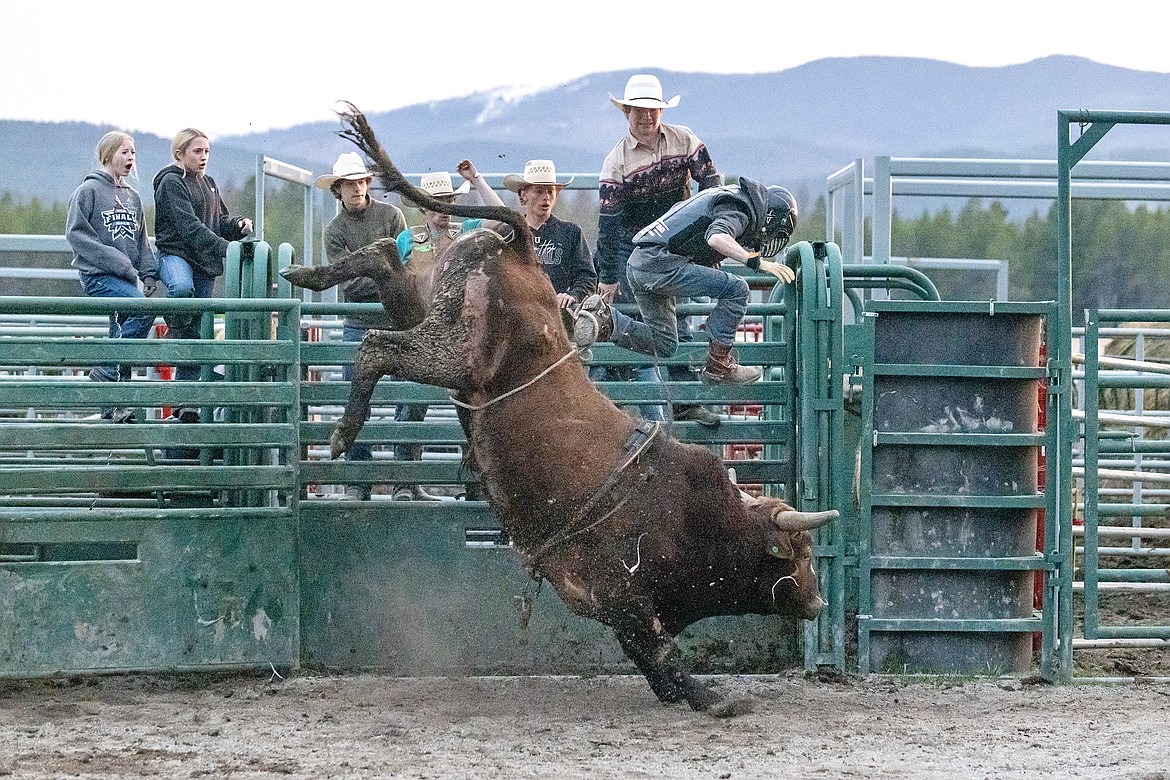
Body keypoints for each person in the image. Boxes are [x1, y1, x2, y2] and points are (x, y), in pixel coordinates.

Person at [573, 177, 798, 385]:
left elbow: (689, 230)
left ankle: (605, 319)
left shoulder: (724, 195)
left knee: (665, 343)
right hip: (662, 263)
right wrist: (757, 262)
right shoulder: (739, 209)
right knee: (737, 289)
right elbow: (717, 237)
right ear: (771, 218)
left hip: (640, 262)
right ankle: (719, 363)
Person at [594, 74, 724, 428]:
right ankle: (638, 404)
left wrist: (706, 229)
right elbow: (608, 223)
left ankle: (681, 401)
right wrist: (607, 276)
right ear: (627, 113)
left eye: (652, 110)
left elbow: (712, 183)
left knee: (675, 319)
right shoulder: (616, 163)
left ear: (660, 111)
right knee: (646, 315)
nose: (646, 117)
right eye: (639, 111)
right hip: (632, 244)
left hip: (673, 237)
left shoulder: (685, 140)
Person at [389, 161, 501, 501]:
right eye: (438, 203)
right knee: (410, 407)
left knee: (470, 408)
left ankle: (474, 485)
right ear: (424, 207)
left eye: (449, 201)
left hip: (460, 337)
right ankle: (405, 484)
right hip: (421, 332)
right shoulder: (406, 239)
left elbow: (500, 216)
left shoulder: (467, 230)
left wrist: (477, 181)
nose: (445, 210)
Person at [316, 152, 410, 501]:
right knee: (352, 400)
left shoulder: (391, 216)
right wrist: (385, 275)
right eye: (349, 184)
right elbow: (349, 282)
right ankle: (359, 479)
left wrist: (373, 274)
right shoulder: (334, 231)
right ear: (337, 190)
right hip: (361, 323)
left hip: (397, 323)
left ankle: (405, 480)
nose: (356, 188)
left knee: (408, 399)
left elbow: (406, 265)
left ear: (368, 183)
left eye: (360, 181)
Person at [152, 127, 252, 423]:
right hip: (178, 255)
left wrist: (237, 226)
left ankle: (187, 402)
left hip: (204, 263)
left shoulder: (208, 183)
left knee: (198, 331)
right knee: (181, 290)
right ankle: (175, 329)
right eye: (197, 151)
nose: (204, 157)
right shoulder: (171, 183)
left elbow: (218, 220)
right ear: (180, 153)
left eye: (206, 151)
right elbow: (190, 228)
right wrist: (228, 249)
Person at [65, 130, 159, 423]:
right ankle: (107, 366)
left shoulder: (132, 197)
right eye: (124, 152)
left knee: (119, 330)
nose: (130, 157)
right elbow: (76, 234)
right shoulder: (88, 191)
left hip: (127, 277)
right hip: (98, 274)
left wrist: (149, 273)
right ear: (108, 156)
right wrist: (117, 261)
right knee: (140, 311)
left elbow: (142, 240)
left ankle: (114, 408)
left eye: (133, 152)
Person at [502, 160, 596, 315]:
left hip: (559, 316)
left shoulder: (571, 232)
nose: (546, 197)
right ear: (523, 195)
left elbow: (586, 277)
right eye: (539, 191)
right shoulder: (507, 234)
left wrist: (573, 295)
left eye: (550, 191)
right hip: (518, 317)